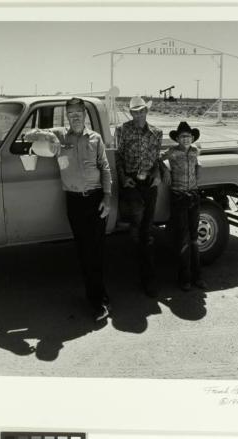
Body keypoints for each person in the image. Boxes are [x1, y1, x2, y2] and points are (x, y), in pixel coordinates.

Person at [24, 97, 112, 322]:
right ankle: (95, 297)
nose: (74, 118)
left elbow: (105, 167)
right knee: (84, 252)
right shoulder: (60, 135)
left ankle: (99, 298)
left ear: (84, 115)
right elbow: (28, 135)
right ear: (67, 116)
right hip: (74, 202)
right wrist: (46, 137)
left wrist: (107, 197)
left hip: (95, 200)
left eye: (78, 114)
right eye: (70, 114)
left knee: (98, 252)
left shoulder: (96, 138)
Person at [115, 96, 164, 297]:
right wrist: (123, 178)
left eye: (141, 111)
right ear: (131, 113)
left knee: (146, 230)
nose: (138, 115)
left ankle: (148, 279)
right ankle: (138, 269)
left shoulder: (156, 133)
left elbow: (157, 158)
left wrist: (158, 174)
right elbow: (118, 156)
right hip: (131, 182)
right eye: (135, 112)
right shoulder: (123, 130)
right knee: (138, 223)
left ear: (146, 111)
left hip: (149, 184)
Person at [161, 121, 208, 292]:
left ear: (192, 138)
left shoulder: (196, 151)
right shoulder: (172, 152)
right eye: (182, 136)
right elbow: (160, 159)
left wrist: (199, 168)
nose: (186, 139)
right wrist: (165, 170)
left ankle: (198, 276)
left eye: (188, 136)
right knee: (183, 237)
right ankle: (184, 278)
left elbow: (198, 163)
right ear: (177, 139)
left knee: (194, 238)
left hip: (194, 195)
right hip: (178, 195)